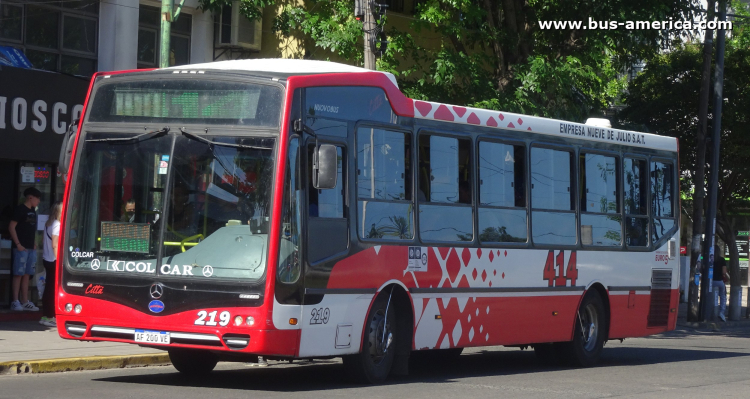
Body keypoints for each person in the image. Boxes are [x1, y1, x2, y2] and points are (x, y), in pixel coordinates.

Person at [8, 187, 41, 312]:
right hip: (20, 247)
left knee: (27, 274)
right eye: (37, 198)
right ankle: (15, 300)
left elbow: (31, 229)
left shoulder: (33, 211)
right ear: (31, 197)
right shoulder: (20, 209)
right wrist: (18, 244)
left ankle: (25, 300)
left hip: (30, 247)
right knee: (18, 273)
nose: (38, 201)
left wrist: (33, 242)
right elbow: (12, 226)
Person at [40, 201, 62, 327]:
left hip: (46, 258)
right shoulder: (57, 225)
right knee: (52, 289)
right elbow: (55, 244)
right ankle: (50, 316)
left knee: (48, 288)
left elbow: (45, 241)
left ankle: (46, 315)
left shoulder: (48, 223)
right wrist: (59, 260)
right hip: (53, 260)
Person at [712, 246, 729, 322]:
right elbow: (723, 272)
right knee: (723, 296)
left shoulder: (710, 259)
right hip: (719, 281)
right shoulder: (722, 260)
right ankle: (721, 312)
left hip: (711, 282)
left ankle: (711, 312)